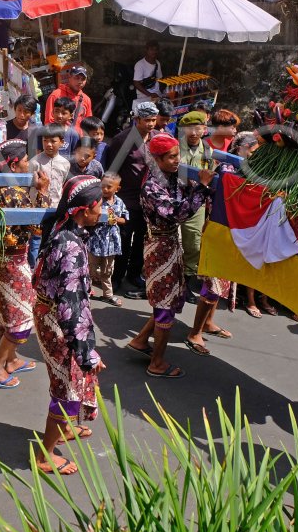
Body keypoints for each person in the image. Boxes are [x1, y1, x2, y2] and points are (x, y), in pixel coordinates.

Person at [31, 175, 106, 476]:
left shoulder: (66, 227)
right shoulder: (71, 246)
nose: (103, 211)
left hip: (52, 313)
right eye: (99, 205)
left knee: (72, 379)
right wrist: (86, 353)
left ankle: (64, 429)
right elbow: (71, 307)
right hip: (56, 321)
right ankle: (44, 455)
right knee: (68, 387)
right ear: (83, 210)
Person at [127, 134, 214, 379]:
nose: (178, 160)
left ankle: (141, 340)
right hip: (159, 247)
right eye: (172, 156)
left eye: (178, 155)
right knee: (165, 305)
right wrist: (203, 188)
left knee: (171, 298)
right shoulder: (152, 187)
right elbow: (178, 213)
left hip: (170, 244)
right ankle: (157, 363)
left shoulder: (170, 177)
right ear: (157, 159)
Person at [0, 140, 47, 389]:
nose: (28, 165)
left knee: (4, 312)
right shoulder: (13, 191)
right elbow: (38, 228)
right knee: (22, 318)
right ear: (12, 163)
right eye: (24, 161)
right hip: (13, 260)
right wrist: (42, 192)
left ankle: (11, 360)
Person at [187, 132, 257, 353]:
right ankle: (195, 332)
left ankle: (208, 323)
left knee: (222, 284)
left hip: (237, 233)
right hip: (220, 231)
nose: (255, 156)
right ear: (240, 149)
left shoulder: (251, 171)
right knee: (213, 284)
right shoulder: (227, 169)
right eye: (253, 151)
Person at [101, 103, 158, 298]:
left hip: (148, 199)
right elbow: (112, 169)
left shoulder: (157, 138)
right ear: (137, 120)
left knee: (142, 239)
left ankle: (134, 274)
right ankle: (116, 277)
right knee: (123, 239)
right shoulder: (121, 140)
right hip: (126, 199)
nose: (150, 124)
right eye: (147, 120)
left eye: (153, 120)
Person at [177, 110, 212, 296]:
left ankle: (186, 281)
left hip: (197, 202)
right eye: (189, 129)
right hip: (174, 199)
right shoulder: (175, 147)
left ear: (204, 129)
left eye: (197, 129)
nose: (193, 133)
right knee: (170, 241)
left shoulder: (208, 150)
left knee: (193, 243)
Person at [28, 125, 70, 267]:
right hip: (37, 209)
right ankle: (33, 271)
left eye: (53, 141)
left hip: (54, 209)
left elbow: (61, 186)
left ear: (62, 142)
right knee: (35, 242)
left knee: (51, 242)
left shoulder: (65, 164)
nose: (49, 144)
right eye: (45, 140)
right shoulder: (34, 162)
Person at [88, 174, 128, 307]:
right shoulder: (96, 200)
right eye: (102, 186)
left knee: (107, 271)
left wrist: (117, 219)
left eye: (109, 187)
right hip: (95, 241)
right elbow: (89, 217)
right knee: (90, 269)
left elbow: (125, 218)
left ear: (117, 188)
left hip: (111, 244)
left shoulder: (119, 202)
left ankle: (108, 295)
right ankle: (87, 291)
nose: (104, 189)